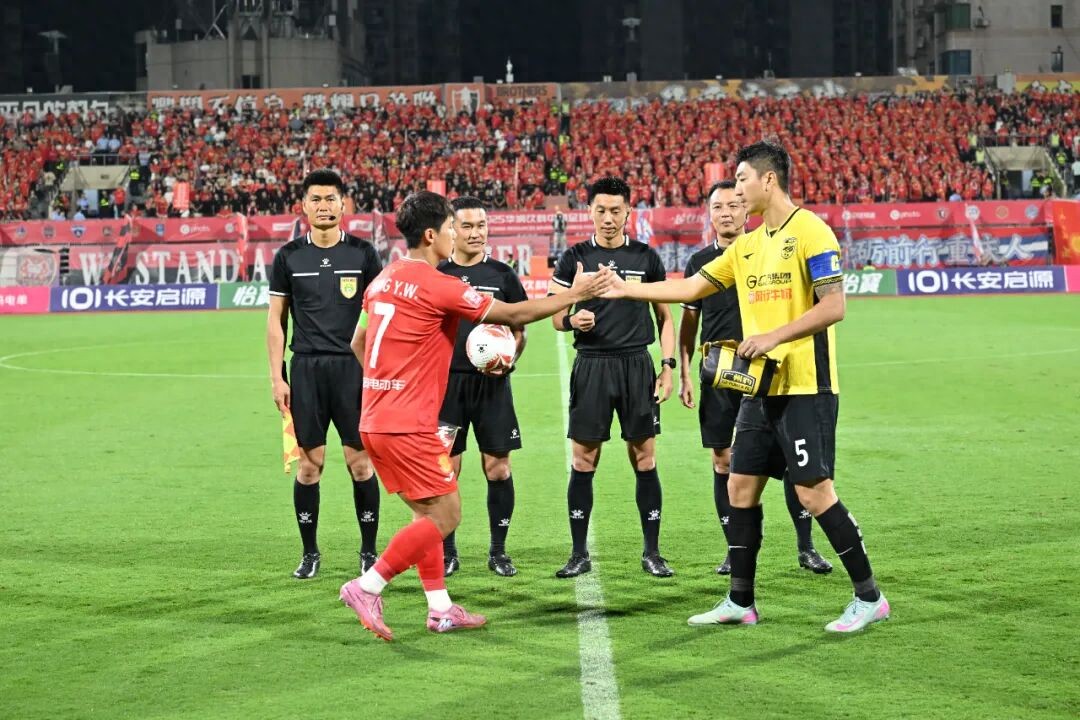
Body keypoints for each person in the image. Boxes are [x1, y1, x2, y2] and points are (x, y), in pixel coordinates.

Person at [603, 141, 889, 632]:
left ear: (768, 180)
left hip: (805, 386)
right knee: (739, 485)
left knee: (814, 493)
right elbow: (692, 288)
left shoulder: (812, 233)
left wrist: (773, 335)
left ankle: (869, 597)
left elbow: (834, 305)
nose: (736, 190)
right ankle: (740, 600)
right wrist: (626, 288)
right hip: (761, 390)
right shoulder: (748, 245)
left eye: (741, 180)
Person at [339, 191, 613, 641]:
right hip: (408, 424)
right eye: (450, 229)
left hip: (374, 418)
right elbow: (515, 313)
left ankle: (440, 608)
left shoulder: (384, 278)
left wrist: (389, 381)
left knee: (426, 516)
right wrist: (575, 294)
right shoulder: (438, 283)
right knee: (445, 516)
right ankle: (368, 586)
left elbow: (358, 344)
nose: (453, 236)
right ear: (432, 234)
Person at [679, 179, 831, 576]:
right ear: (709, 214)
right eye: (717, 207)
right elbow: (688, 322)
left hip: (766, 371)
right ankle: (735, 548)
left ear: (746, 209)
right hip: (719, 374)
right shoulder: (698, 263)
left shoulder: (764, 252)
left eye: (733, 205)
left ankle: (806, 546)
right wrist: (682, 371)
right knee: (723, 461)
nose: (726, 213)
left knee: (792, 465)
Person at [548, 176, 676, 579]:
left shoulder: (646, 258)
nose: (608, 218)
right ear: (589, 212)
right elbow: (554, 316)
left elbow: (665, 318)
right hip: (592, 366)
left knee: (645, 457)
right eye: (600, 210)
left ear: (628, 213)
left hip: (637, 365)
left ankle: (652, 552)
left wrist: (668, 367)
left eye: (615, 210)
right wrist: (573, 319)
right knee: (583, 460)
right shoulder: (574, 258)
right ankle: (578, 552)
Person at [267, 169, 383, 580]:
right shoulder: (288, 258)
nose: (323, 206)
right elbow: (276, 320)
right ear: (304, 206)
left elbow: (381, 313)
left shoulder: (365, 255)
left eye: (330, 199)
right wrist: (277, 377)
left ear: (343, 204)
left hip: (354, 371)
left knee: (360, 464)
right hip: (307, 371)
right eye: (315, 199)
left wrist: (379, 366)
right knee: (309, 466)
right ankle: (310, 553)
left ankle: (369, 552)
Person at [437, 196, 528, 577]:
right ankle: (447, 550)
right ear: (452, 230)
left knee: (499, 469)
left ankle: (498, 551)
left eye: (481, 226)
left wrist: (509, 358)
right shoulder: (438, 273)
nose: (476, 233)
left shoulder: (503, 275)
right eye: (468, 226)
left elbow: (520, 329)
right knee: (445, 470)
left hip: (492, 386)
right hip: (446, 387)